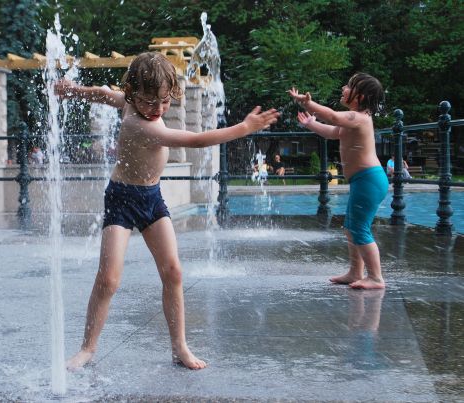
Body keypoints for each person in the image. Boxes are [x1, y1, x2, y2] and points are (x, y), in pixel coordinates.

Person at [54, 52, 279, 370]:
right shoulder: (138, 123)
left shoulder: (133, 104)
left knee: (173, 272)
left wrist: (74, 90)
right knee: (108, 279)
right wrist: (244, 127)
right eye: (149, 102)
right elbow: (197, 140)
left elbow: (105, 95)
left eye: (163, 102)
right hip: (121, 199)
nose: (157, 110)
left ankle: (179, 347)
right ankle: (88, 348)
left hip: (152, 199)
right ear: (133, 93)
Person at [289, 72, 388, 290]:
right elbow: (333, 131)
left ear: (360, 97)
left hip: (369, 180)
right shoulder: (351, 119)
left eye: (349, 86)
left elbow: (333, 117)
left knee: (360, 228)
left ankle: (376, 277)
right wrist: (311, 124)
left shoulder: (359, 118)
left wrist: (309, 103)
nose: (343, 87)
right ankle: (355, 272)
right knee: (351, 228)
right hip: (363, 181)